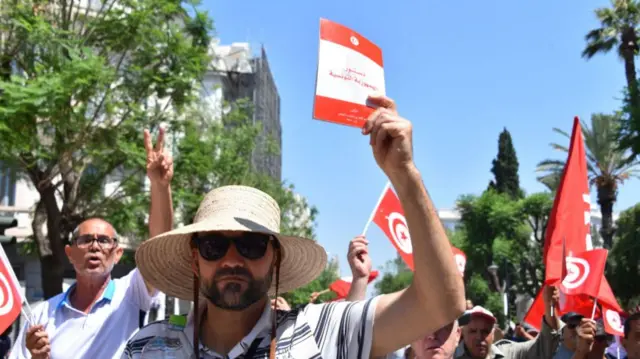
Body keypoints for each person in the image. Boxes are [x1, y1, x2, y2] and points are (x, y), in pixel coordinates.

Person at [122, 94, 466, 359]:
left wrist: (404, 174)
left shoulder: (322, 332)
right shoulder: (147, 347)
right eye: (214, 245)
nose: (232, 259)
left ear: (275, 258)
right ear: (196, 259)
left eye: (251, 245)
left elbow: (440, 305)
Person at [10, 128, 174, 359]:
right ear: (70, 253)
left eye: (104, 241)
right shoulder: (42, 317)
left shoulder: (132, 293)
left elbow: (159, 247)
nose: (95, 246)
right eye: (86, 240)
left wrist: (160, 186)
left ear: (117, 254)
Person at [453, 286, 561, 359]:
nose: (479, 336)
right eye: (472, 331)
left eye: (485, 331)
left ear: (493, 333)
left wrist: (550, 306)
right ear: (462, 333)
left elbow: (547, 342)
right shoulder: (447, 355)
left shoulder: (509, 354)